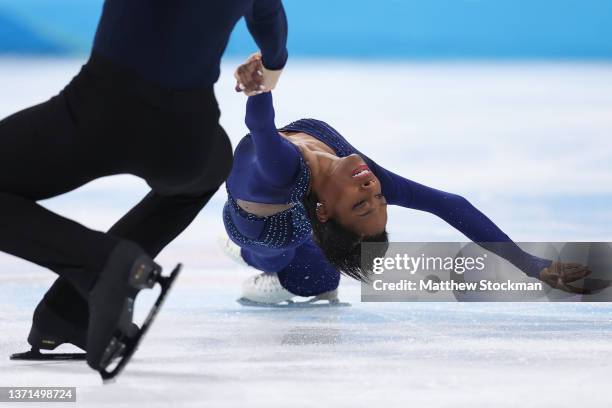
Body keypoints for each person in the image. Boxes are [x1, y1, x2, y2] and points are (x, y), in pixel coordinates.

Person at [3, 0, 289, 379]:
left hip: (101, 111)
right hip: (190, 138)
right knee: (209, 168)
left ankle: (100, 264)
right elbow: (268, 14)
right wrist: (271, 67)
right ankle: (71, 312)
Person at [223, 57, 592, 305]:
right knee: (320, 280)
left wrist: (261, 78)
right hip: (280, 221)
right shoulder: (359, 179)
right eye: (378, 200)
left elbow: (259, 123)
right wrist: (531, 264)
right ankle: (277, 262)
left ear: (324, 210)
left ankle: (251, 257)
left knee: (293, 263)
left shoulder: (281, 169)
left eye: (360, 204)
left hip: (268, 228)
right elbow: (451, 204)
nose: (372, 191)